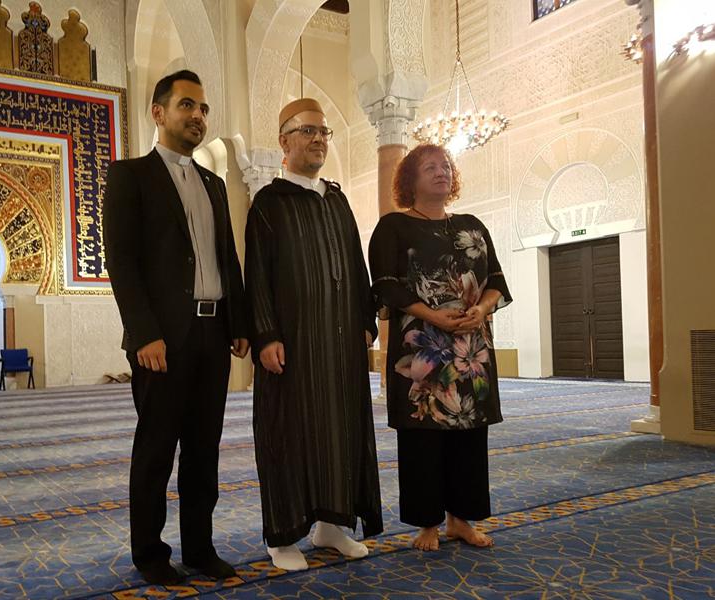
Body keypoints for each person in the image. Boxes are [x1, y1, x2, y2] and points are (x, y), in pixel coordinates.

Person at [102, 70, 249, 585]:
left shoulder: (211, 182)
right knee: (157, 449)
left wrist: (240, 320)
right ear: (158, 112)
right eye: (187, 105)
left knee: (204, 450)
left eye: (203, 109)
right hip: (162, 339)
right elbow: (120, 260)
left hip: (212, 335)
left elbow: (226, 257)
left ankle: (200, 550)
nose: (198, 116)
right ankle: (150, 554)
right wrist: (143, 333)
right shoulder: (130, 177)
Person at [245, 98, 383, 571]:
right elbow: (256, 275)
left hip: (341, 343)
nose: (318, 139)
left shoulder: (337, 200)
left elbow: (356, 264)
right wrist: (265, 336)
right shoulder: (268, 203)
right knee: (288, 432)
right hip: (292, 345)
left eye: (323, 132)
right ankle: (282, 535)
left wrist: (367, 322)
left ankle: (331, 525)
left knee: (341, 430)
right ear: (284, 142)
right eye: (307, 131)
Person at [368, 143, 512, 552]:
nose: (441, 171)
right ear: (409, 179)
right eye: (430, 166)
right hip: (422, 348)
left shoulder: (472, 226)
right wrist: (432, 316)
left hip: (471, 348)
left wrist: (482, 309)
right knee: (423, 434)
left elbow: (497, 281)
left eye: (446, 165)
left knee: (468, 431)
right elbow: (385, 285)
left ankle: (460, 521)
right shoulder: (394, 227)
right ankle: (428, 523)